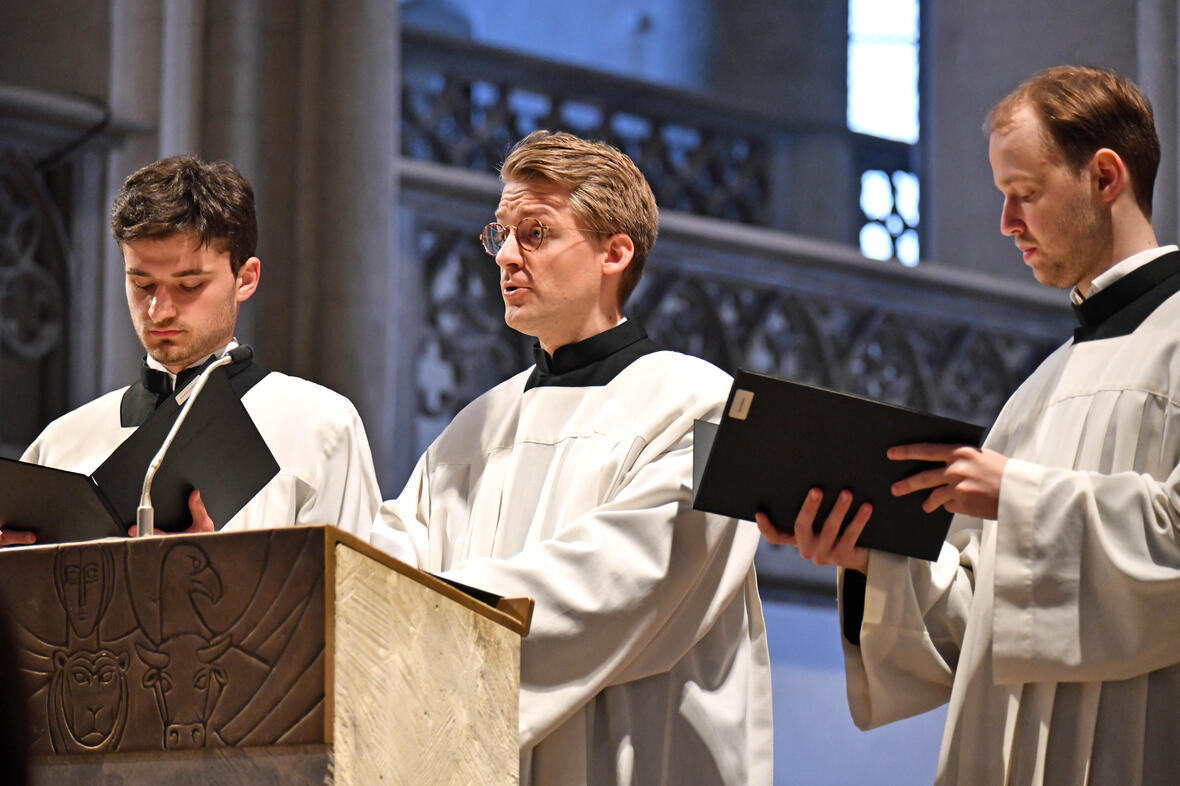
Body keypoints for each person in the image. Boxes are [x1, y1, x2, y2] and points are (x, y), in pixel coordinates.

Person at [758, 66, 1180, 784]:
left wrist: (1015, 496)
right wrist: (873, 557)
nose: (1008, 224)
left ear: (1105, 177)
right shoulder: (1037, 393)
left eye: (1025, 195)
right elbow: (980, 624)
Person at [370, 130, 773, 785]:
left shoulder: (701, 405)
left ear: (615, 252)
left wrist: (443, 617)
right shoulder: (476, 427)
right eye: (498, 234)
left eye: (534, 233)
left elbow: (621, 578)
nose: (504, 256)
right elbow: (388, 558)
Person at [3, 156, 380, 544]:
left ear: (245, 279)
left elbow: (351, 599)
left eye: (189, 285)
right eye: (143, 284)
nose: (159, 311)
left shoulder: (320, 426)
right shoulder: (60, 443)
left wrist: (203, 576)